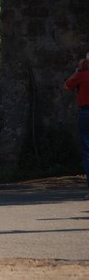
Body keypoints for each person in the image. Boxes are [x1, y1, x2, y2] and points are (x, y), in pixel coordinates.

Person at [63, 54, 89, 199]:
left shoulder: (82, 75)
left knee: (87, 151)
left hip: (86, 113)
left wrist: (77, 71)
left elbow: (67, 86)